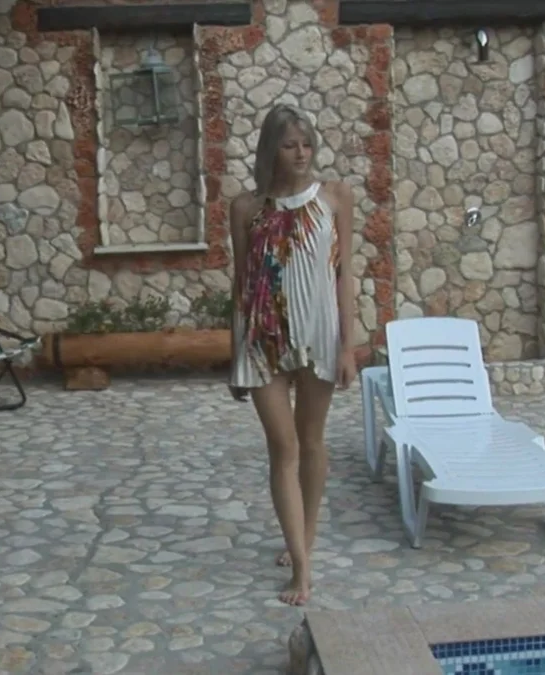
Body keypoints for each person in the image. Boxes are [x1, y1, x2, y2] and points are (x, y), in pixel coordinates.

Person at [228, 103, 357, 606]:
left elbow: (344, 276)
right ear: (271, 150)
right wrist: (234, 354)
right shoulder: (247, 208)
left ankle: (307, 536)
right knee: (283, 448)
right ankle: (302, 568)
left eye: (306, 144)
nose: (301, 153)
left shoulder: (335, 197)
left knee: (312, 441)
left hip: (319, 335)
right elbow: (241, 284)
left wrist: (347, 346)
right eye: (289, 145)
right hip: (263, 340)